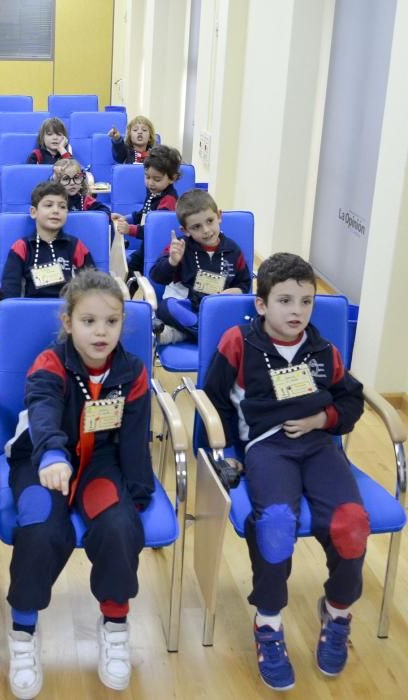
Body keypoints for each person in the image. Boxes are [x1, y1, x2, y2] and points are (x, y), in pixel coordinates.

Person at [203, 253, 368, 691]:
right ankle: (269, 622)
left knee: (352, 522)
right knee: (276, 524)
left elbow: (350, 401)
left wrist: (323, 421)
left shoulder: (322, 351)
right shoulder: (238, 343)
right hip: (265, 447)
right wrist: (228, 453)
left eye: (307, 302)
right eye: (285, 300)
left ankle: (337, 612)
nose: (297, 311)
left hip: (318, 445)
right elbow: (215, 401)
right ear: (261, 305)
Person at [4, 269, 153, 697]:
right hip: (41, 459)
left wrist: (137, 496)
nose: (101, 332)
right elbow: (43, 409)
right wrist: (52, 453)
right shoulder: (50, 362)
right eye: (89, 322)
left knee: (121, 526)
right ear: (68, 323)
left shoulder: (132, 371)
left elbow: (135, 438)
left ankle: (115, 624)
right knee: (40, 528)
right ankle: (23, 632)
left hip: (99, 464)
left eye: (112, 322)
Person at [149, 190, 251, 344]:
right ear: (185, 230)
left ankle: (183, 334)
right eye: (196, 227)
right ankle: (213, 336)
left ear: (219, 216)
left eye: (210, 221)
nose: (206, 231)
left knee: (245, 313)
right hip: (187, 307)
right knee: (167, 307)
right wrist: (172, 262)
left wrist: (233, 291)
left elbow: (244, 283)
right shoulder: (179, 247)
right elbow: (156, 276)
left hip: (218, 308)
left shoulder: (233, 250)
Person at [0, 181, 95, 299]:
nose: (56, 211)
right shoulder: (22, 247)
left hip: (67, 311)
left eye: (62, 206)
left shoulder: (75, 246)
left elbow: (92, 284)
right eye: (48, 205)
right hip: (31, 312)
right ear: (34, 212)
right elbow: (10, 288)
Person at [112, 144, 182, 275]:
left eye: (157, 179)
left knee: (130, 271)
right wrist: (125, 217)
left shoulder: (168, 201)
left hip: (157, 250)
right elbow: (143, 214)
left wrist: (130, 229)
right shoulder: (154, 192)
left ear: (172, 178)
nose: (150, 183)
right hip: (146, 246)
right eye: (147, 177)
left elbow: (154, 230)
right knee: (126, 270)